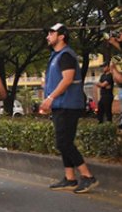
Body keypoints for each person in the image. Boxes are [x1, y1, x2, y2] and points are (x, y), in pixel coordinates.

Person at [41, 23, 99, 194]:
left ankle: (87, 176)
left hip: (68, 105)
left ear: (61, 36)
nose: (48, 36)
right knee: (64, 142)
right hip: (61, 105)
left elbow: (67, 80)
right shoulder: (57, 56)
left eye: (51, 33)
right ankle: (70, 178)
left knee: (63, 142)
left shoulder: (66, 55)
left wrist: (50, 98)